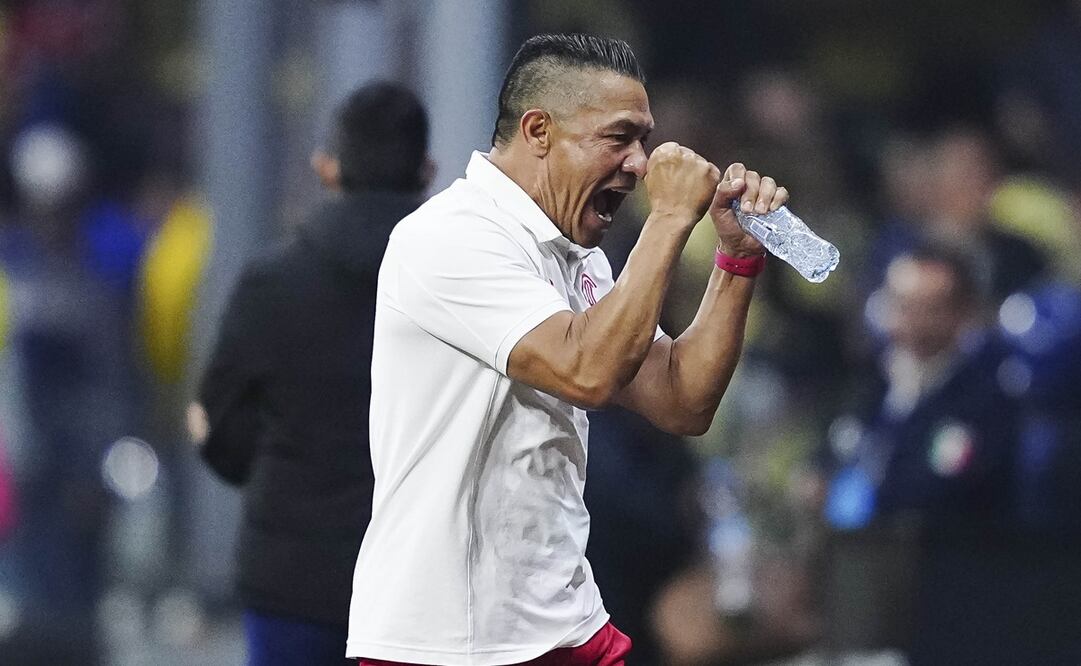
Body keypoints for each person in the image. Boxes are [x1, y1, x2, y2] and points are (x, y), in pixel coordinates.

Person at [347, 33, 790, 665]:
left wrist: (736, 263)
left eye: (643, 139)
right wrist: (667, 221)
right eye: (618, 138)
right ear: (538, 132)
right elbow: (586, 371)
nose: (639, 163)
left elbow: (683, 401)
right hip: (452, 637)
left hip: (565, 620)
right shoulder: (449, 239)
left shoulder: (578, 258)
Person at [194, 81, 431, 666]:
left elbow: (219, 430)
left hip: (291, 582)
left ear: (327, 170)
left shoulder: (271, 282)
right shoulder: (458, 287)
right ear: (427, 170)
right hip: (424, 585)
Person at [824, 247, 1081, 664]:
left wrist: (866, 487)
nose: (911, 322)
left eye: (930, 308)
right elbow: (836, 448)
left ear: (962, 313)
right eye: (902, 305)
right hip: (868, 578)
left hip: (958, 591)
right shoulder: (874, 378)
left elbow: (943, 481)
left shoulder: (987, 391)